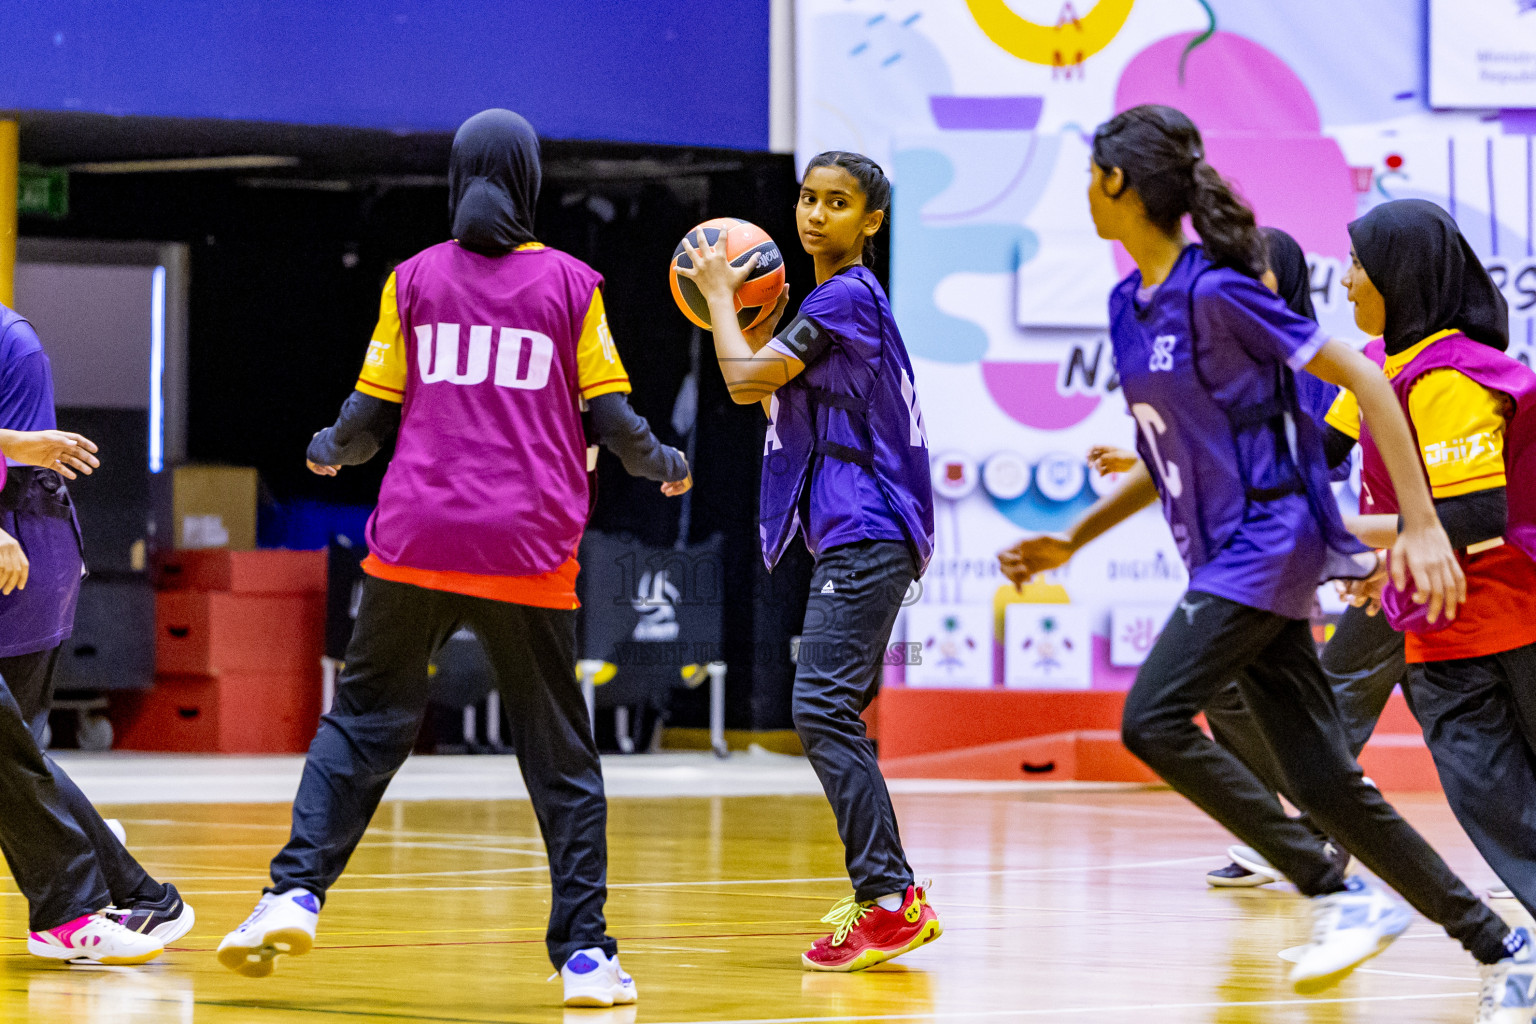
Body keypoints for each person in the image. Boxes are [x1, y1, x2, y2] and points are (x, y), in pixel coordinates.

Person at [997, 105, 1532, 1010]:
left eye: (1090, 174)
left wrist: (1422, 529)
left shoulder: (1217, 290)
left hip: (1268, 547)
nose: (1084, 191)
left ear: (1119, 184)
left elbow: (1363, 378)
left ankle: (1338, 893)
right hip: (1232, 552)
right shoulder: (1128, 308)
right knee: (1323, 778)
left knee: (1154, 719)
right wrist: (1073, 535)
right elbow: (1172, 446)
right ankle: (1496, 942)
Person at [216, 109, 691, 1009]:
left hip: (416, 541)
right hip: (527, 548)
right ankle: (585, 956)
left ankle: (291, 894)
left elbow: (362, 424)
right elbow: (616, 425)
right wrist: (665, 465)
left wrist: (323, 448)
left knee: (361, 726)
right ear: (529, 177)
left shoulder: (412, 280)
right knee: (559, 757)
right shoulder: (572, 285)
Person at [676, 151, 941, 972]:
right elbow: (766, 381)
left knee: (821, 708)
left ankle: (892, 900)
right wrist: (748, 313)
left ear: (872, 222)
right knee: (830, 710)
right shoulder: (827, 303)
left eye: (839, 202)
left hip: (869, 533)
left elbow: (743, 380)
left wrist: (721, 299)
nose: (816, 213)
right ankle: (890, 896)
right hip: (860, 536)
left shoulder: (849, 296)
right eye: (807, 198)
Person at [1332, 198, 1536, 943]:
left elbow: (1477, 519)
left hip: (1508, 616)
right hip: (1444, 627)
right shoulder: (1391, 370)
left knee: (1505, 802)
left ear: (1399, 274)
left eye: (1358, 264)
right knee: (1499, 803)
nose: (1346, 279)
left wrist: (1354, 540)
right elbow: (1307, 455)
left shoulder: (1447, 376)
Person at [0, 303, 195, 965]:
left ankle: (71, 903)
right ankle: (124, 886)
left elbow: (22, 480)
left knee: (11, 757)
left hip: (22, 559)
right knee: (15, 758)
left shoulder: (13, 345)